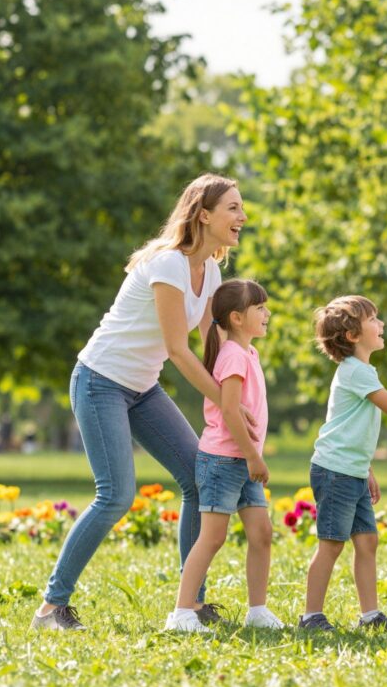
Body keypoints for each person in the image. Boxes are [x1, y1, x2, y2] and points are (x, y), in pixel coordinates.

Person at [32, 173, 256, 631]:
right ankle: (51, 608)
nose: (242, 216)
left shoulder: (210, 271)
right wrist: (226, 407)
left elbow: (212, 347)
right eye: (233, 207)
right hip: (100, 381)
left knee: (198, 476)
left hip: (142, 388)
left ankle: (190, 604)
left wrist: (239, 388)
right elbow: (178, 350)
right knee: (115, 495)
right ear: (204, 214)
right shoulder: (169, 264)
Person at [299, 295, 387, 632]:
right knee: (332, 544)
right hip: (336, 471)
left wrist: (367, 470)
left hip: (352, 470)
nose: (382, 325)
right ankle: (310, 617)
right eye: (374, 319)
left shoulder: (362, 371)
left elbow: (353, 428)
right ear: (352, 336)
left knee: (367, 542)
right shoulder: (355, 372)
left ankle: (370, 616)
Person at [165, 279, 283, 633]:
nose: (267, 314)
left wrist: (250, 457)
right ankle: (182, 613)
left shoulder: (248, 352)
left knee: (261, 532)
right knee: (212, 537)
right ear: (236, 317)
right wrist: (253, 457)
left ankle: (257, 609)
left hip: (241, 461)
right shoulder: (232, 355)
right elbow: (230, 411)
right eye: (259, 308)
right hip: (224, 461)